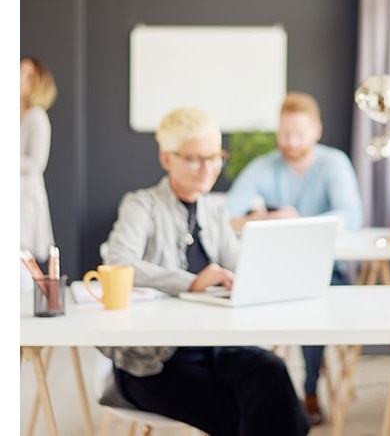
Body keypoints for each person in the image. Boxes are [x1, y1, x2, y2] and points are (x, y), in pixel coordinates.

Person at [98, 106, 310, 436]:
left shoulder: (212, 210)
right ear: (167, 158)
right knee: (239, 410)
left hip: (214, 345)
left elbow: (240, 265)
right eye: (194, 158)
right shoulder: (140, 204)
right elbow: (118, 264)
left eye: (214, 157)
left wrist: (271, 271)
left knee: (271, 372)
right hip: (154, 362)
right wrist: (192, 282)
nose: (208, 168)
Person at [225, 91, 364, 426]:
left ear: (316, 130)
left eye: (298, 133)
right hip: (276, 269)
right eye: (284, 133)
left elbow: (351, 216)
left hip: (328, 270)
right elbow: (226, 215)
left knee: (315, 310)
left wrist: (298, 221)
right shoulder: (264, 167)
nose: (290, 141)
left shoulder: (334, 164)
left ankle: (309, 391)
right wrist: (261, 219)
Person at [20, 56, 58, 289]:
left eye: (28, 75)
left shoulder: (37, 117)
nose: (20, 79)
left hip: (25, 198)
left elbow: (37, 162)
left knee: (21, 256)